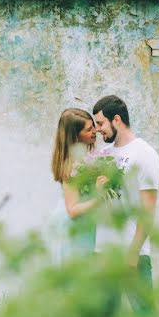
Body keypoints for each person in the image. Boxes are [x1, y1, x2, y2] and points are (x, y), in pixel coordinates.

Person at [92, 95, 159, 311]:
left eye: (101, 123)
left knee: (144, 316)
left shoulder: (145, 154)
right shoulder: (105, 155)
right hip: (104, 250)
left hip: (132, 252)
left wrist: (133, 252)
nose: (98, 130)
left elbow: (148, 209)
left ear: (117, 120)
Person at [50, 108, 107, 260]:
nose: (95, 131)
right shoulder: (72, 166)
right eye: (89, 129)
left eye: (94, 126)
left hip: (83, 224)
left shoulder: (86, 159)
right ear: (75, 136)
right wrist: (99, 198)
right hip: (72, 227)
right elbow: (73, 210)